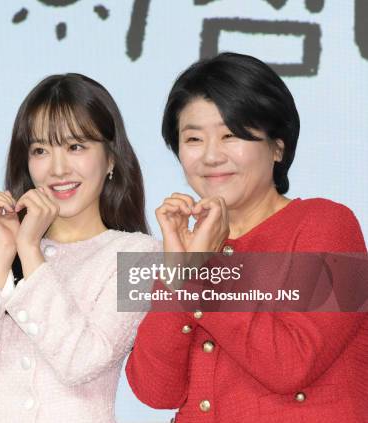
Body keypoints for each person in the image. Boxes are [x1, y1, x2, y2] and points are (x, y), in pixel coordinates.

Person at [125, 53, 367, 422]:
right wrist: (176, 271)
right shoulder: (186, 246)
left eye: (230, 135)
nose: (210, 156)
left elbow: (291, 364)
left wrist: (199, 272)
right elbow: (155, 392)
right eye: (193, 138)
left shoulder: (330, 224)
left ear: (277, 146)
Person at [0, 73, 158, 422]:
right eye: (40, 150)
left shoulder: (139, 256)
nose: (57, 169)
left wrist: (31, 253)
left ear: (111, 159)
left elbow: (82, 361)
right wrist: (3, 253)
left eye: (76, 147)